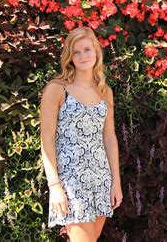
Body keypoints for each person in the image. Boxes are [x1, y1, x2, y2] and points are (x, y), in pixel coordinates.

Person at [39, 26, 123, 241]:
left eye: (87, 49)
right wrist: (54, 185)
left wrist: (116, 181)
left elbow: (109, 138)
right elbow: (46, 139)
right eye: (76, 52)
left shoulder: (105, 91)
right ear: (69, 56)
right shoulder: (56, 89)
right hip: (71, 182)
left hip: (100, 178)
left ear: (96, 51)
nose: (83, 56)